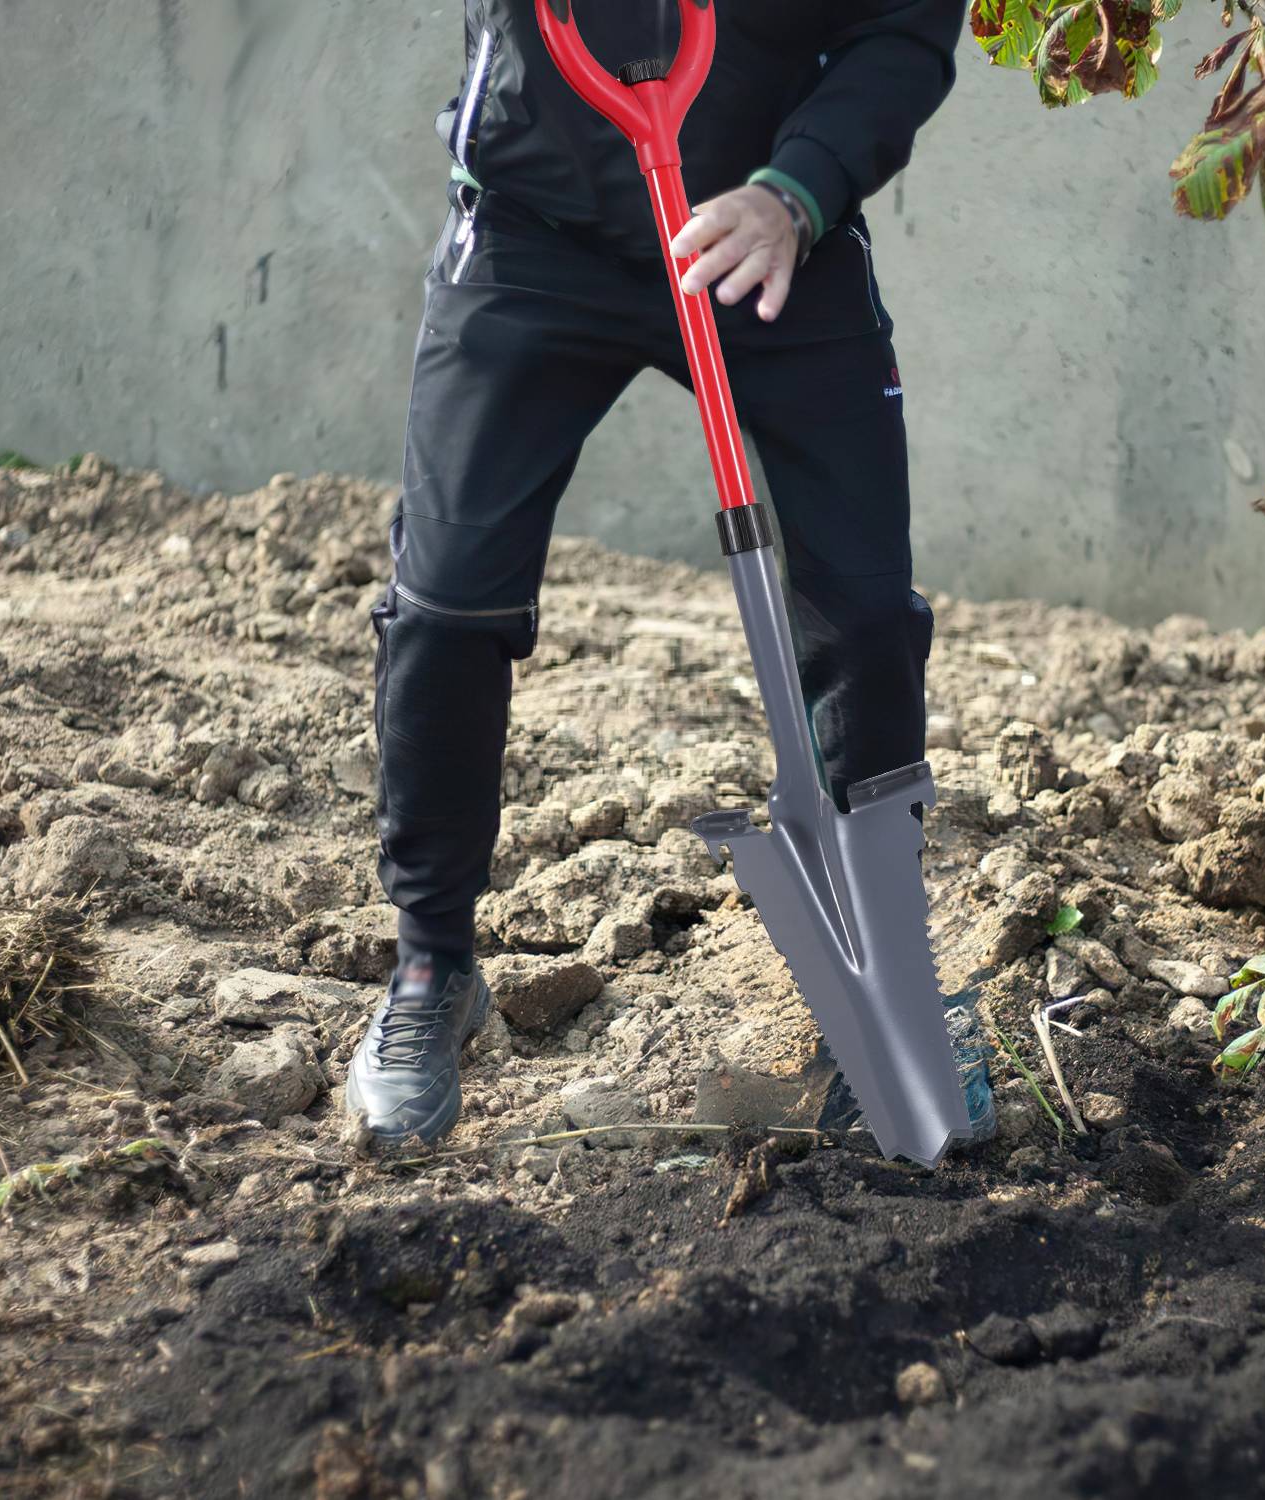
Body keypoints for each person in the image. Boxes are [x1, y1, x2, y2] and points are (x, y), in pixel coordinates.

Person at [346, 0, 971, 1143]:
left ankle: (884, 985)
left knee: (867, 617)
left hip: (767, 229)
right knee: (446, 607)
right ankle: (432, 967)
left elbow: (905, 26)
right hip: (535, 228)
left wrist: (799, 190)